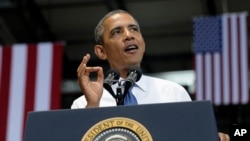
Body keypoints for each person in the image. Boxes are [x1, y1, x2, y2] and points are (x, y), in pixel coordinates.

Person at [71, 9, 230, 141]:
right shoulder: (83, 104)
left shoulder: (173, 92)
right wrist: (92, 107)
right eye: (117, 32)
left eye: (134, 29)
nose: (129, 35)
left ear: (143, 43)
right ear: (101, 51)